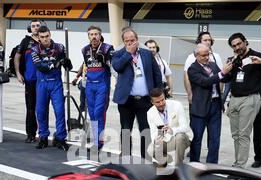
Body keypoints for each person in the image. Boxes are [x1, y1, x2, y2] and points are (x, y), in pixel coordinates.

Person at [112, 27, 162, 158]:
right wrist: (128, 53)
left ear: (137, 40)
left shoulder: (146, 54)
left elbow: (157, 74)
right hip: (126, 100)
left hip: (145, 100)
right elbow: (117, 67)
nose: (130, 43)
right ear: (123, 42)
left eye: (132, 40)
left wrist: (158, 94)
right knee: (126, 129)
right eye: (127, 41)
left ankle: (146, 159)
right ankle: (126, 158)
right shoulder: (118, 53)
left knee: (145, 131)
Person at [223, 33, 261, 168]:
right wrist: (227, 70)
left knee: (243, 134)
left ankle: (240, 166)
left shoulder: (256, 55)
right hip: (234, 99)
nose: (237, 47)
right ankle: (238, 162)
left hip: (250, 98)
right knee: (236, 135)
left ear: (245, 42)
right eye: (234, 46)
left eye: (239, 44)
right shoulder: (232, 60)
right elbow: (225, 80)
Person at [188, 43, 232, 164]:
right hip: (200, 108)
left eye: (208, 54)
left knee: (215, 138)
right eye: (203, 55)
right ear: (196, 55)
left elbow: (223, 78)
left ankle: (212, 164)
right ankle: (194, 164)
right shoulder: (193, 69)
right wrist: (222, 73)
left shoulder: (213, 65)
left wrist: (229, 70)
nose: (207, 57)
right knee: (196, 138)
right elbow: (205, 82)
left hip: (215, 105)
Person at [31, 25, 72, 151]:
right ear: (38, 38)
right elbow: (40, 67)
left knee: (60, 112)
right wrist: (55, 63)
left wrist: (67, 62)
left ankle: (60, 138)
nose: (45, 39)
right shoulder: (34, 49)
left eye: (47, 36)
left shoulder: (60, 47)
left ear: (50, 35)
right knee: (41, 112)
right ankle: (43, 137)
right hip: (42, 84)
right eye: (42, 37)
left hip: (56, 84)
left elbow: (68, 67)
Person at [79, 26, 114, 150]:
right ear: (88, 36)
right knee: (92, 114)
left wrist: (105, 59)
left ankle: (98, 142)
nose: (94, 37)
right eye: (91, 34)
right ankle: (97, 141)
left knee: (99, 113)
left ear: (100, 35)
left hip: (102, 85)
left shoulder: (107, 48)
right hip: (89, 85)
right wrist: (81, 80)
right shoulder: (84, 50)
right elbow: (85, 66)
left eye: (96, 34)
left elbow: (114, 65)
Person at [147, 87, 190, 166]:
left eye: (162, 100)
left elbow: (185, 127)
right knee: (150, 150)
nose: (161, 103)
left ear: (164, 97)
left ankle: (178, 166)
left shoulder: (177, 105)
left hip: (183, 138)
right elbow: (153, 133)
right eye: (157, 102)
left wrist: (172, 130)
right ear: (152, 102)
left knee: (179, 137)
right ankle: (165, 161)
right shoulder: (150, 113)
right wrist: (156, 141)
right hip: (166, 140)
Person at [14, 20, 41, 143]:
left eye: (38, 26)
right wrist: (18, 73)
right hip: (30, 80)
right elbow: (17, 57)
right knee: (30, 108)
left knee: (42, 108)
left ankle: (43, 134)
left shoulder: (46, 40)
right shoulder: (25, 41)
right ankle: (30, 134)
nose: (36, 28)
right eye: (33, 26)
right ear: (30, 28)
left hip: (44, 81)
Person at [184, 32, 223, 112]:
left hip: (215, 96)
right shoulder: (192, 57)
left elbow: (221, 75)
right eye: (205, 40)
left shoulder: (216, 56)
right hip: (200, 96)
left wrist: (220, 92)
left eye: (209, 40)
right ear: (199, 41)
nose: (208, 42)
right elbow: (186, 76)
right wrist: (189, 93)